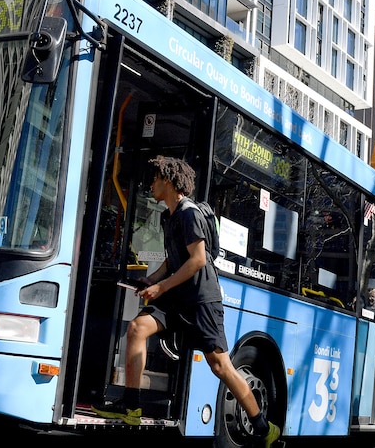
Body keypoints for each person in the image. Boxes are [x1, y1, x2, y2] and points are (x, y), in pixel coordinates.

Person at [93, 156, 280, 448]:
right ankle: (131, 408)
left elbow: (198, 260)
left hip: (202, 300)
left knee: (221, 367)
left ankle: (263, 427)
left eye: (155, 179)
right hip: (177, 297)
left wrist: (161, 287)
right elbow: (173, 259)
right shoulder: (169, 215)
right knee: (137, 329)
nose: (151, 184)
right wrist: (151, 280)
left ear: (168, 181)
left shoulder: (189, 214)